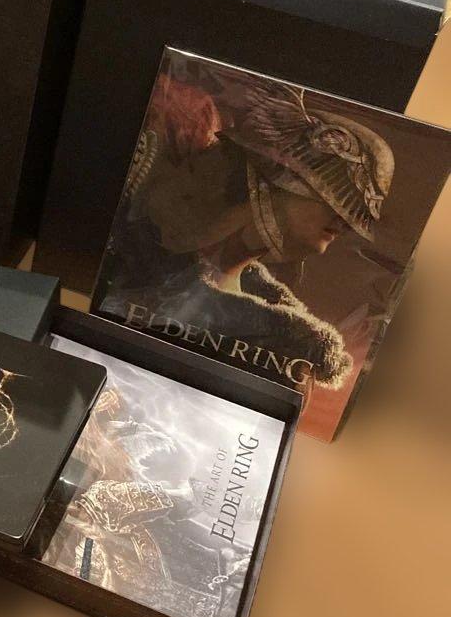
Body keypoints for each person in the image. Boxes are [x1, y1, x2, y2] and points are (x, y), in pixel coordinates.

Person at [96, 75, 395, 389]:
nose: (343, 224)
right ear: (276, 179)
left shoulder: (288, 345)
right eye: (332, 200)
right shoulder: (142, 250)